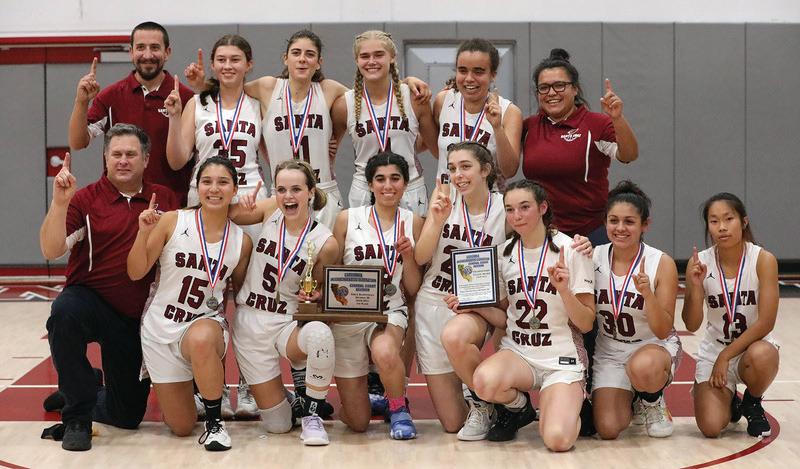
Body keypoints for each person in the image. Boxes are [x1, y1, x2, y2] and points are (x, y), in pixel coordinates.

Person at [39, 123, 179, 451]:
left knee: (126, 416)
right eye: (116, 154)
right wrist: (59, 203)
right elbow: (51, 249)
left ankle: (86, 386)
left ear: (146, 159)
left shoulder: (165, 199)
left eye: (131, 154)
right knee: (64, 312)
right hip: (90, 301)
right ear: (105, 158)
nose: (123, 160)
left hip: (135, 317)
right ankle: (77, 417)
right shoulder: (85, 199)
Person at [454, 180, 595, 450]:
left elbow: (587, 323)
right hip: (519, 354)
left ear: (542, 208)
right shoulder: (503, 254)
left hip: (561, 359)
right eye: (510, 209)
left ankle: (575, 402)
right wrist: (474, 306)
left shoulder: (572, 250)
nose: (516, 216)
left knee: (557, 440)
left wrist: (564, 291)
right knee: (483, 382)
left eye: (524, 207)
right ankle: (520, 407)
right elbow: (506, 319)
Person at [128, 157, 252, 451]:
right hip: (161, 328)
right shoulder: (173, 221)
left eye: (223, 182)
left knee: (202, 338)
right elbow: (135, 272)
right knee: (181, 427)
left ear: (235, 189)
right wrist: (143, 233)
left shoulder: (241, 241)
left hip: (204, 323)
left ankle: (215, 424)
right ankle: (198, 390)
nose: (214, 189)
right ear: (197, 187)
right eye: (207, 181)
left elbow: (240, 294)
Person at [228, 160, 339, 446]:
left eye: (296, 189)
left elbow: (320, 292)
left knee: (320, 335)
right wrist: (239, 204)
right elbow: (221, 214)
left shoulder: (325, 242)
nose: (288, 196)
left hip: (287, 322)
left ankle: (312, 415)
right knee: (278, 425)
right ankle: (292, 399)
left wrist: (316, 297)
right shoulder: (269, 210)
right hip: (251, 319)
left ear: (310, 192)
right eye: (281, 190)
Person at [413, 142, 506, 438]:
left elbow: (540, 235)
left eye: (466, 167)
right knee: (453, 423)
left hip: (474, 304)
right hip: (433, 301)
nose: (458, 175)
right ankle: (484, 402)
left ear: (485, 170)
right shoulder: (444, 199)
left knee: (456, 336)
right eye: (452, 168)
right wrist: (436, 221)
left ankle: (483, 401)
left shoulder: (504, 207)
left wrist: (576, 242)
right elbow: (421, 257)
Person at [332, 152, 423, 439]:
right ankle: (369, 401)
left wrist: (408, 257)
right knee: (357, 422)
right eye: (380, 179)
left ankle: (398, 408)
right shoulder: (347, 219)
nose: (388, 186)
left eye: (395, 178)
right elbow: (334, 271)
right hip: (349, 315)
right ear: (370, 184)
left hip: (389, 311)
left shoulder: (413, 222)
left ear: (405, 183)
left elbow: (412, 288)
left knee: (384, 352)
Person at [682, 193, 779, 438]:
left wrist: (725, 356)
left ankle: (752, 402)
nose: (722, 227)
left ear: (743, 221)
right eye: (714, 221)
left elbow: (766, 322)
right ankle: (731, 402)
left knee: (764, 353)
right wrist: (695, 288)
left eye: (728, 219)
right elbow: (691, 324)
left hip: (750, 350)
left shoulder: (763, 260)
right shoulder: (699, 262)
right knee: (711, 427)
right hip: (715, 350)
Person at [590, 181, 681, 440]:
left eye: (629, 222)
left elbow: (663, 329)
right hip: (610, 351)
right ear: (605, 223)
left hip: (652, 346)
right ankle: (634, 397)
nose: (620, 228)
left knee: (644, 367)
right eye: (613, 221)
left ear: (645, 225)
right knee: (608, 428)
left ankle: (652, 400)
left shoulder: (661, 262)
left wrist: (648, 295)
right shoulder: (592, 256)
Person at [67, 21, 194, 205]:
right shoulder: (111, 96)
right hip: (120, 206)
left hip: (171, 206)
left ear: (167, 52)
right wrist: (81, 102)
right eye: (141, 48)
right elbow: (78, 142)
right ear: (131, 52)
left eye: (155, 48)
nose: (148, 55)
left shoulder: (187, 98)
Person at [521, 48, 638, 244]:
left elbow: (628, 155)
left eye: (560, 85)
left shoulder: (596, 124)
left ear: (575, 89)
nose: (551, 93)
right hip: (543, 232)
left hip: (590, 232)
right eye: (544, 87)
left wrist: (617, 119)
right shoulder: (529, 126)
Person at [332, 30, 439, 218]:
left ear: (392, 57)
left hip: (409, 188)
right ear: (357, 61)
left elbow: (437, 148)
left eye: (379, 55)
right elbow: (328, 152)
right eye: (365, 56)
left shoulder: (414, 98)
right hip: (366, 190)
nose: (372, 61)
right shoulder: (344, 104)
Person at [433, 39, 523, 189]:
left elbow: (509, 171)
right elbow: (436, 150)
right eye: (463, 71)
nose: (469, 78)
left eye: (478, 71)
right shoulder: (443, 101)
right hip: (446, 199)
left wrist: (497, 128)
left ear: (493, 75)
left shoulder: (509, 112)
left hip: (487, 200)